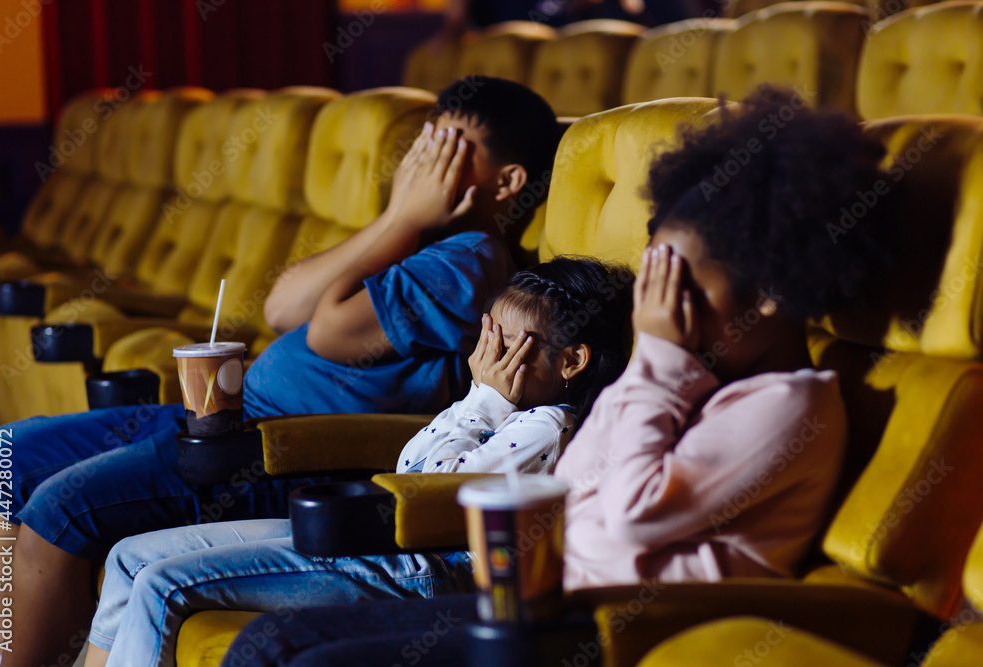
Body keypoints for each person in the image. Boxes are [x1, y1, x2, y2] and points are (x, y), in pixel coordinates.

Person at [220, 85, 894, 666]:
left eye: (678, 285)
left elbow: (630, 519)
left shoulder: (786, 405)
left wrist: (658, 362)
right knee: (274, 640)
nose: (654, 309)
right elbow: (575, 488)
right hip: (533, 606)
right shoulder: (691, 379)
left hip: (598, 634)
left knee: (286, 656)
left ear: (772, 292)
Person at [0, 76, 563, 667]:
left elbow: (329, 333)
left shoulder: (467, 259)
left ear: (508, 180)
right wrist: (397, 220)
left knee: (63, 507)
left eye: (450, 144)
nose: (420, 160)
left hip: (289, 448)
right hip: (234, 415)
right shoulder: (414, 240)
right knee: (3, 455)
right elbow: (280, 307)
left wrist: (401, 217)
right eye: (426, 137)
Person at [81, 258, 634, 667]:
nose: (484, 357)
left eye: (506, 342)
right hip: (381, 540)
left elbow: (424, 486)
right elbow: (408, 463)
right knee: (129, 558)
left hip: (422, 569)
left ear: (571, 361)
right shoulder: (504, 410)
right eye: (486, 335)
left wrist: (484, 399)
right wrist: (478, 401)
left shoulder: (547, 428)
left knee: (161, 585)